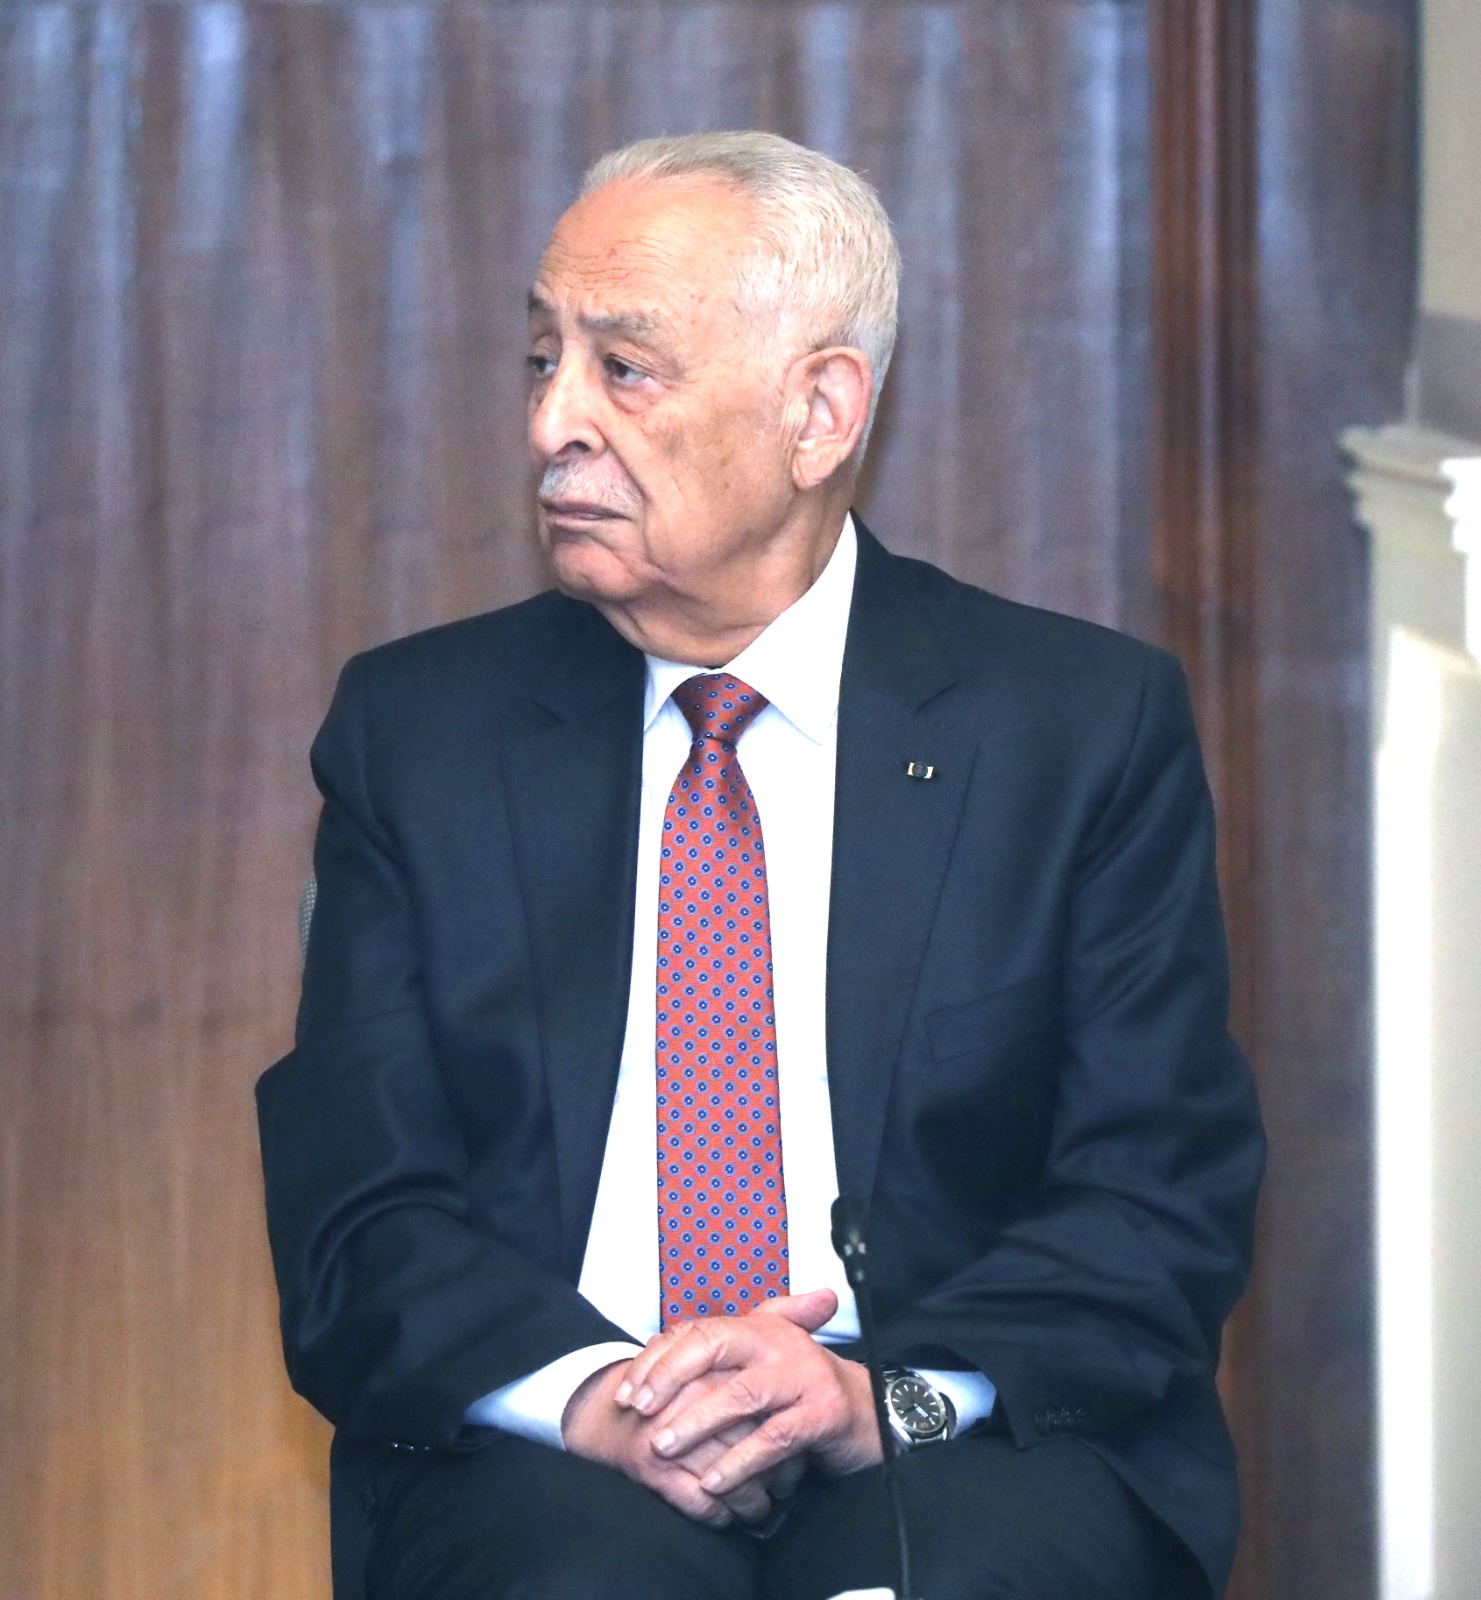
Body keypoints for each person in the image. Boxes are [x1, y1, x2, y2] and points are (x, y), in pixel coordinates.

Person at [257, 130, 1264, 1600]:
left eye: (624, 368)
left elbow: (1154, 1193)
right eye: (542, 362)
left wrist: (870, 1397)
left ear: (819, 412)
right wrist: (597, 1400)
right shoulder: (421, 732)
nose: (553, 423)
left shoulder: (1074, 727)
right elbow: (360, 1207)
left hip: (954, 1421)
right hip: (561, 1435)